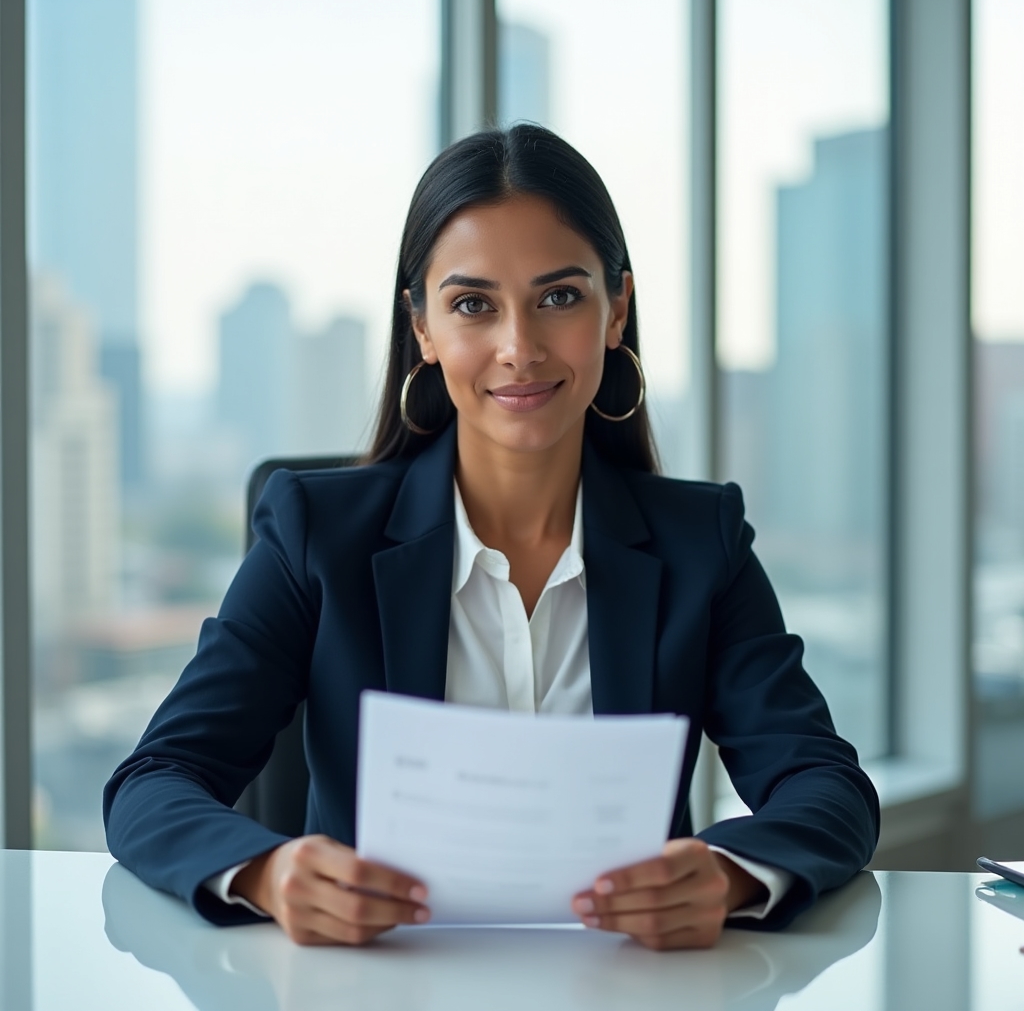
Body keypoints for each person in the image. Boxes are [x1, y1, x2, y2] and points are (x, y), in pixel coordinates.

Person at [103, 124, 879, 952]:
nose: (520, 348)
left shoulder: (700, 545)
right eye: (473, 305)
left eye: (560, 297)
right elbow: (155, 781)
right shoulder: (315, 536)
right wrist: (267, 873)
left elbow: (824, 785)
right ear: (422, 328)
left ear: (616, 309)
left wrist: (729, 877)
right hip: (377, 988)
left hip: (632, 989)